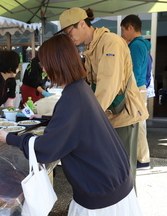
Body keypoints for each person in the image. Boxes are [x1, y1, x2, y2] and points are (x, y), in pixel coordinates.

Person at [0, 34, 143, 216]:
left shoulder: (71, 99)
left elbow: (46, 149)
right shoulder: (80, 88)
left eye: (44, 62)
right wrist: (43, 117)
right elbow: (71, 122)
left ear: (57, 63)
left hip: (102, 196)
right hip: (115, 182)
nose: (42, 68)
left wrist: (10, 138)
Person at [57, 7, 148, 189]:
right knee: (112, 172)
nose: (69, 37)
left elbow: (108, 87)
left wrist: (86, 119)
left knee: (124, 174)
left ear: (82, 24)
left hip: (123, 116)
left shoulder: (110, 43)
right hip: (108, 116)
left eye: (69, 32)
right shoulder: (92, 47)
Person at [121, 14, 152, 170]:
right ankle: (142, 157)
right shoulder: (141, 44)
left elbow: (133, 71)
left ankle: (142, 159)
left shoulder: (136, 45)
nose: (122, 35)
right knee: (139, 124)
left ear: (130, 28)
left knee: (138, 125)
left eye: (123, 30)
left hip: (136, 89)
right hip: (140, 88)